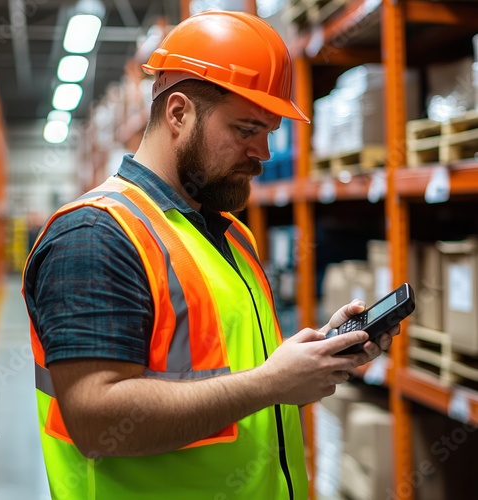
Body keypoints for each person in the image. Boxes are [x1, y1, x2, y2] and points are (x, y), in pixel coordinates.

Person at [22, 10, 399, 500]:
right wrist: (269, 385)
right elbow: (97, 420)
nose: (263, 152)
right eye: (246, 129)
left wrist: (311, 359)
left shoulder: (230, 235)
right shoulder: (96, 235)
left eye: (269, 131)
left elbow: (228, 368)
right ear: (178, 113)